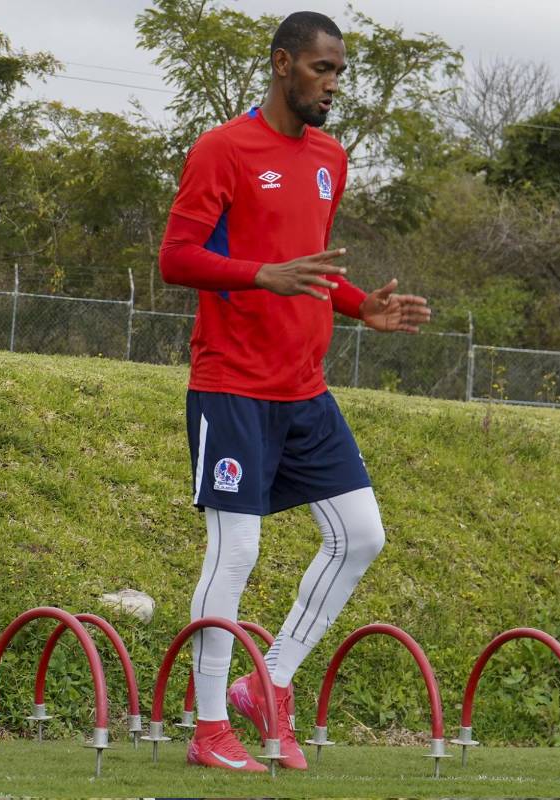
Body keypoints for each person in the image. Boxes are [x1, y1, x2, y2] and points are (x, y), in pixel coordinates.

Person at [158, 10, 431, 773]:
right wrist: (258, 275)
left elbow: (306, 267)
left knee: (362, 535)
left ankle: (266, 682)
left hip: (305, 390)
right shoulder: (222, 149)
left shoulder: (329, 158)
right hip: (231, 387)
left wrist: (360, 306)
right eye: (321, 69)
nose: (332, 84)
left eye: (339, 71)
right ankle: (210, 728)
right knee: (236, 549)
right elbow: (176, 257)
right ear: (282, 65)